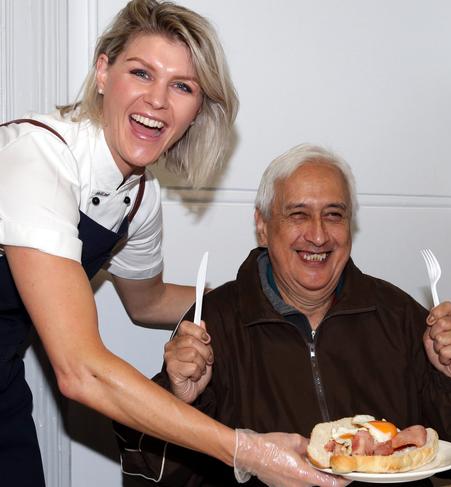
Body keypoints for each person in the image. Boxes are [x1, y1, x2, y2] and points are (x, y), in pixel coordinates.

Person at [0, 1, 346, 486]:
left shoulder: (140, 198)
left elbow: (149, 302)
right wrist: (245, 450)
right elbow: (82, 370)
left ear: (196, 109)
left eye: (182, 86)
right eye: (141, 73)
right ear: (103, 70)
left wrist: (284, 298)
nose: (158, 100)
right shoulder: (33, 156)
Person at [113, 143, 451, 486]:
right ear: (262, 226)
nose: (318, 235)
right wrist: (180, 400)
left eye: (333, 215)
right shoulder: (214, 324)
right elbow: (153, 475)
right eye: (298, 214)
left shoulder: (399, 315)